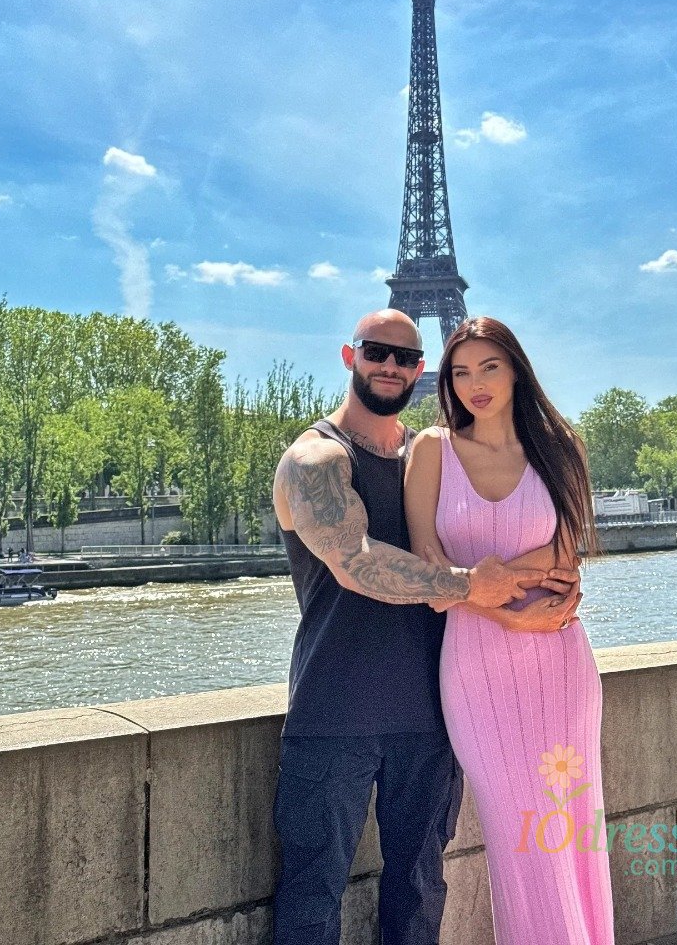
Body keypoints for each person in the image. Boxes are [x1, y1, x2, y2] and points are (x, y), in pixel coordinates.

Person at [271, 309, 581, 945]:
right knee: (311, 896)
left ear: (420, 371)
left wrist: (536, 591)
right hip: (334, 711)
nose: (390, 366)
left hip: (433, 711)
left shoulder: (433, 454)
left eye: (407, 358)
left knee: (419, 894)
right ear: (349, 356)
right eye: (375, 352)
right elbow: (356, 562)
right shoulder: (315, 458)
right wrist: (472, 586)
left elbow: (504, 532)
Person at [404, 316, 614, 944]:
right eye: (461, 372)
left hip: (560, 666)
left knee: (572, 836)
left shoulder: (560, 449)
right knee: (519, 836)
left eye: (489, 367)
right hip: (477, 672)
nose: (476, 383)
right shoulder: (432, 450)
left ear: (517, 369)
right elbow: (427, 572)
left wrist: (478, 582)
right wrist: (506, 609)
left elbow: (565, 554)